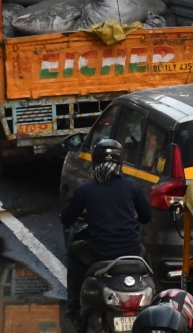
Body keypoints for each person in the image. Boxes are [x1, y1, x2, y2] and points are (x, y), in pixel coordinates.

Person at [60, 139, 153, 326]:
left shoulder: (86, 190)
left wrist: (82, 217)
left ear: (95, 163)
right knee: (147, 264)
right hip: (133, 251)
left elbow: (66, 218)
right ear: (120, 163)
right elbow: (147, 216)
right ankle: (153, 299)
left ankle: (74, 306)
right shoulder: (131, 186)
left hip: (100, 252)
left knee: (74, 251)